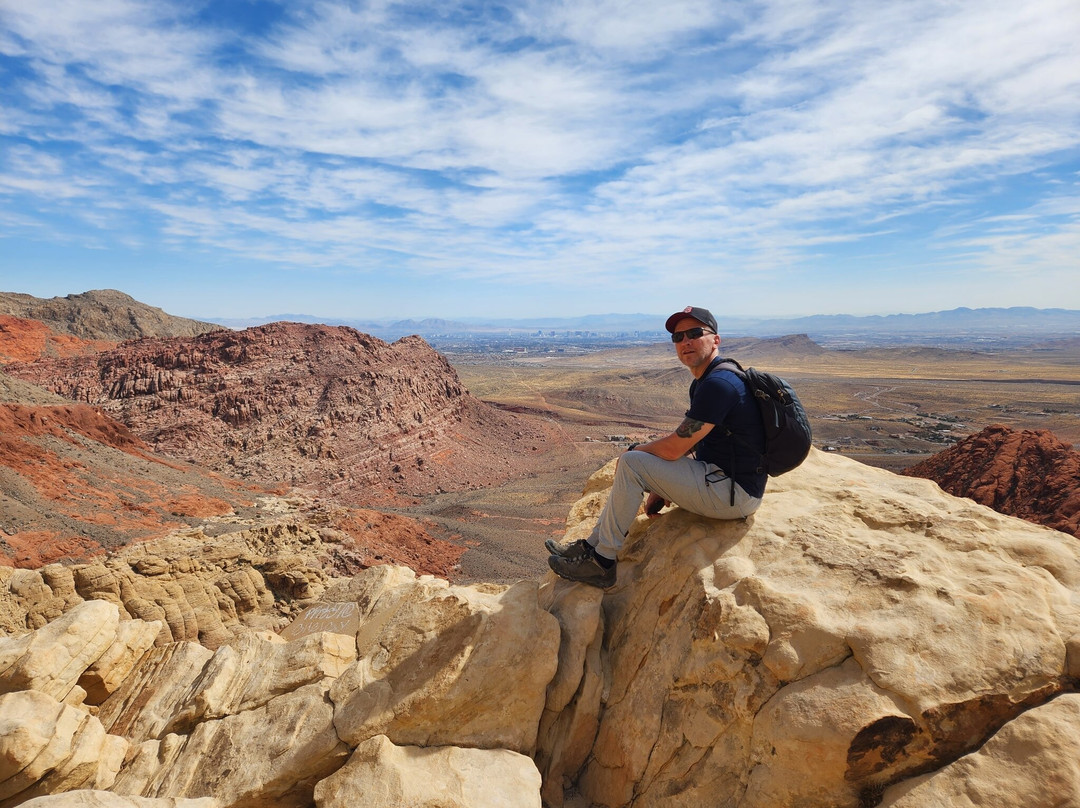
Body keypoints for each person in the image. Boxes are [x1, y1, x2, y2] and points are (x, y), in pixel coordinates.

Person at [546, 306, 766, 588]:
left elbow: (675, 448)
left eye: (695, 333)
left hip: (732, 494)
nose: (685, 342)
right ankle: (591, 546)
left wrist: (637, 452)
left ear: (716, 340)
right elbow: (693, 441)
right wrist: (661, 485)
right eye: (678, 337)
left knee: (632, 462)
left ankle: (601, 563)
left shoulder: (719, 385)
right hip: (721, 481)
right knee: (637, 462)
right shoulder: (708, 380)